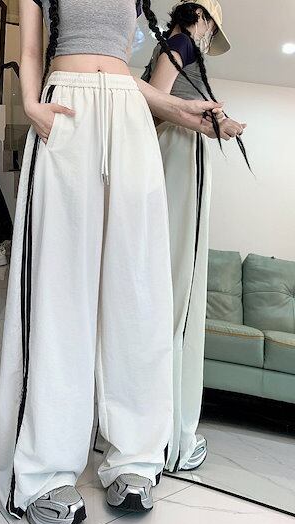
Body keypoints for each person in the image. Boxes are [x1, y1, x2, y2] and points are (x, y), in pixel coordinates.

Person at [0, 1, 242, 524]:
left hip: (127, 117)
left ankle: (134, 456)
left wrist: (182, 111)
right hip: (65, 111)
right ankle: (45, 469)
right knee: (60, 291)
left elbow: (124, 75)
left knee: (137, 293)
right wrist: (31, 103)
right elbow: (30, 49)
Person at [142, 0, 247, 473]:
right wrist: (206, 124)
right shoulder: (181, 44)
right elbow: (156, 103)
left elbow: (165, 102)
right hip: (177, 156)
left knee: (167, 280)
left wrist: (216, 123)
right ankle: (169, 432)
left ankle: (157, 426)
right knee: (176, 284)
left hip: (176, 153)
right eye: (210, 29)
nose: (208, 38)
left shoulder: (174, 49)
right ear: (200, 17)